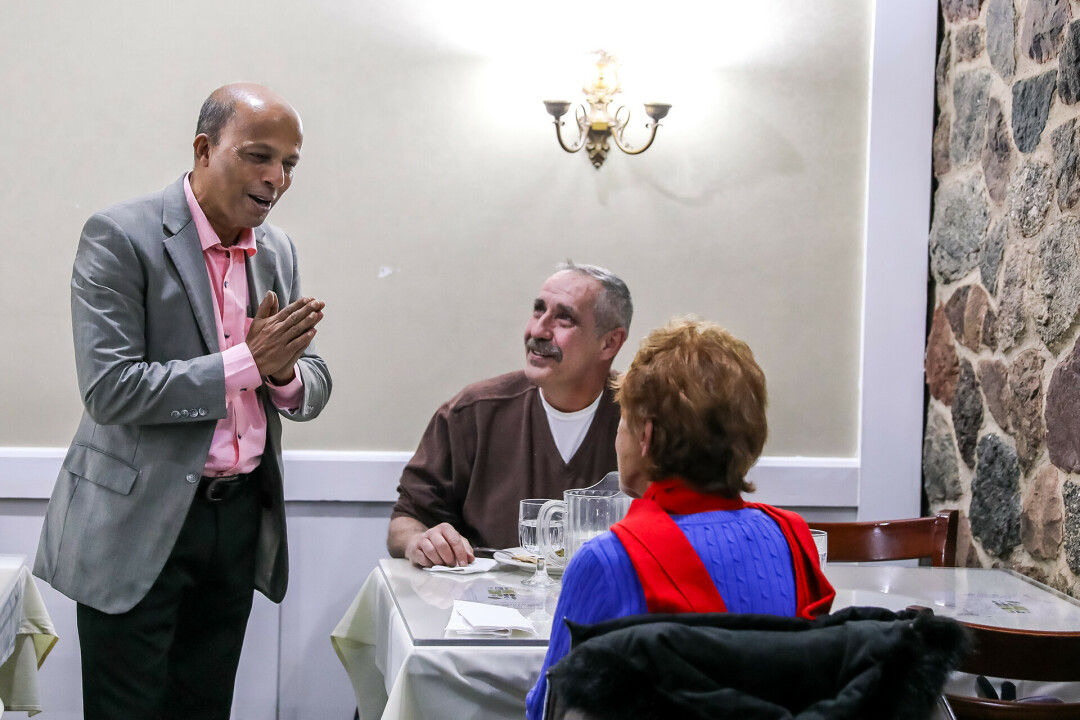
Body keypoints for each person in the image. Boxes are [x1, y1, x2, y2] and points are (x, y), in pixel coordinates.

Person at [33, 83, 332, 720]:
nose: (276, 179)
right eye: (259, 156)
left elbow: (303, 376)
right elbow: (111, 389)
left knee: (204, 707)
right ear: (204, 148)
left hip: (237, 515)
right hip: (139, 521)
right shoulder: (120, 235)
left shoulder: (277, 250)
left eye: (290, 165)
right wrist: (250, 362)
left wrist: (281, 377)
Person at [526, 318, 834, 720]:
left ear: (646, 436)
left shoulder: (609, 560)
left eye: (623, 420)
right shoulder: (793, 539)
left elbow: (548, 709)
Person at [388, 262, 632, 567]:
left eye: (564, 318)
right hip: (484, 607)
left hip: (609, 606)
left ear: (610, 342)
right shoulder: (473, 413)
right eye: (538, 310)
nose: (538, 330)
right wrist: (419, 541)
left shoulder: (644, 419)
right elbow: (406, 519)